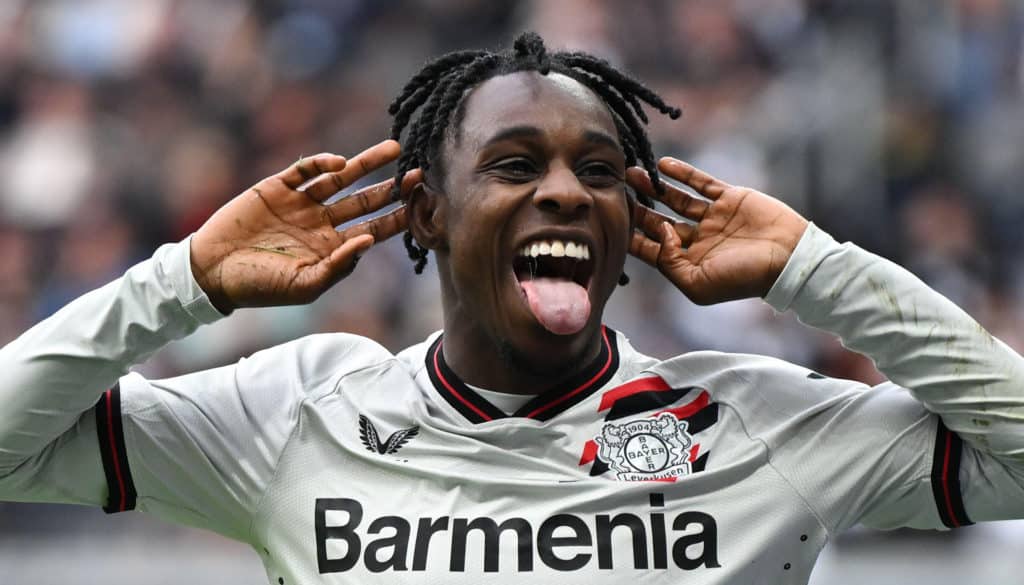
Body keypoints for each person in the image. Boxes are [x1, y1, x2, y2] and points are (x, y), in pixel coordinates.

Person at [1, 32, 1022, 584]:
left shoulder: (755, 422)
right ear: (429, 214)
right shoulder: (293, 414)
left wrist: (814, 269)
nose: (566, 193)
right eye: (515, 165)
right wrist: (182, 281)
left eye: (600, 171)